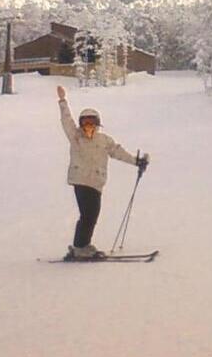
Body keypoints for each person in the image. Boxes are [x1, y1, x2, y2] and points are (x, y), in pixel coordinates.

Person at [56, 85, 150, 259]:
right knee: (88, 214)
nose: (88, 125)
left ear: (98, 123)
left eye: (92, 122)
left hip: (97, 183)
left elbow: (118, 152)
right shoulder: (76, 137)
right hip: (81, 181)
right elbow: (66, 120)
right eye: (85, 122)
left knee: (92, 215)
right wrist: (63, 101)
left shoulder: (104, 140)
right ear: (81, 123)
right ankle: (80, 247)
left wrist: (136, 162)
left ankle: (83, 244)